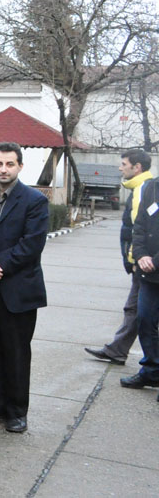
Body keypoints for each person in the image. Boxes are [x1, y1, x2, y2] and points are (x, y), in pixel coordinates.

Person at [0, 141, 49, 433]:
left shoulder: (34, 200)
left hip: (18, 289)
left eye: (9, 164)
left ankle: (17, 412)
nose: (3, 169)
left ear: (20, 166)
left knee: (16, 352)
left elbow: (31, 245)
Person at [86, 149, 153, 367]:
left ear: (137, 167)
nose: (120, 167)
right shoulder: (140, 188)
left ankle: (144, 361)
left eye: (124, 164)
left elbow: (141, 230)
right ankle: (118, 349)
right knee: (135, 309)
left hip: (145, 264)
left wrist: (136, 259)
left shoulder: (145, 189)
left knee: (141, 312)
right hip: (143, 262)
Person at [123, 172, 159, 397]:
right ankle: (152, 370)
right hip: (149, 273)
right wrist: (140, 254)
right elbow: (140, 226)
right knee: (144, 319)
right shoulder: (152, 187)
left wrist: (155, 260)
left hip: (154, 265)